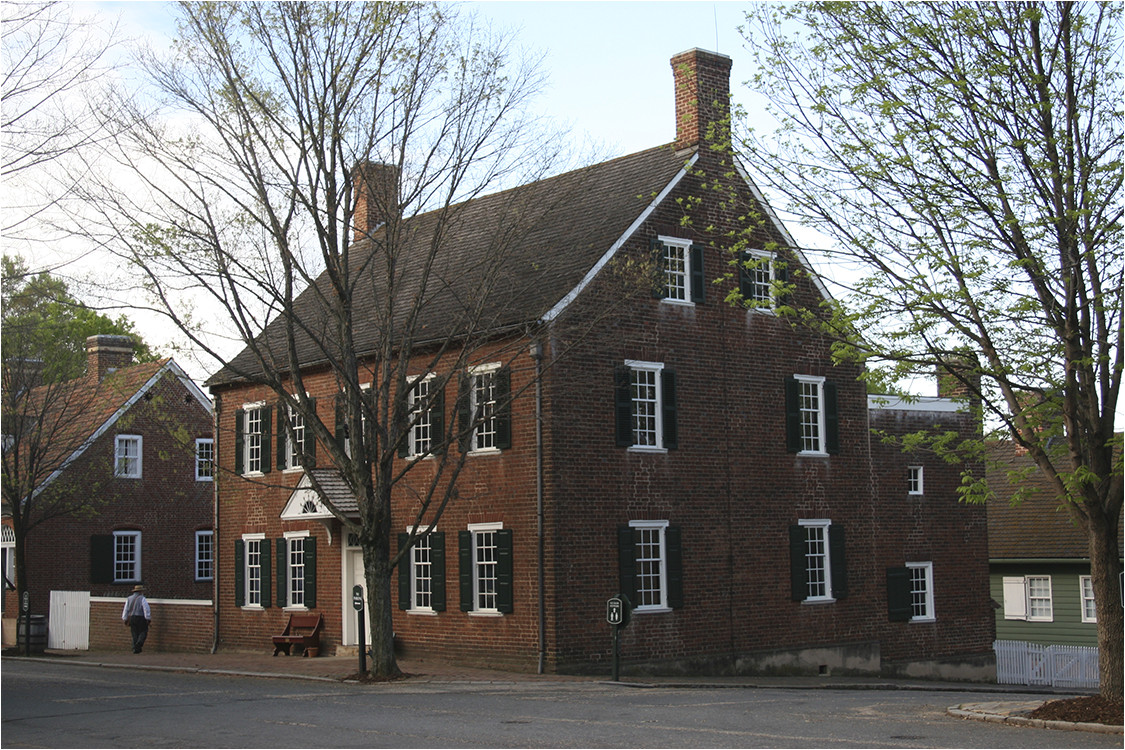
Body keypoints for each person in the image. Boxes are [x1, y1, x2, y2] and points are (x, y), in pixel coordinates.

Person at [121, 584, 151, 653]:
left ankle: (135, 648)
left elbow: (126, 609)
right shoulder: (142, 598)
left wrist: (125, 618)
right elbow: (146, 609)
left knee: (134, 633)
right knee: (143, 631)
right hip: (140, 617)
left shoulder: (129, 599)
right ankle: (139, 643)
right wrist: (148, 618)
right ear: (140, 591)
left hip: (132, 617)